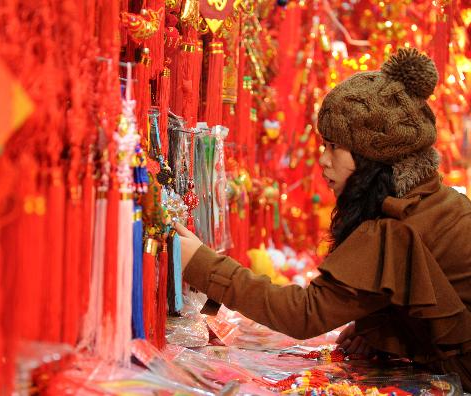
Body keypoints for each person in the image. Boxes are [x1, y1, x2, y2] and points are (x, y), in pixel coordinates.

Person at [174, 47, 471, 392]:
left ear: (370, 155)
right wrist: (377, 328)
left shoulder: (397, 223)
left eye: (333, 147)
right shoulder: (430, 201)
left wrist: (201, 264)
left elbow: (303, 314)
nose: (323, 161)